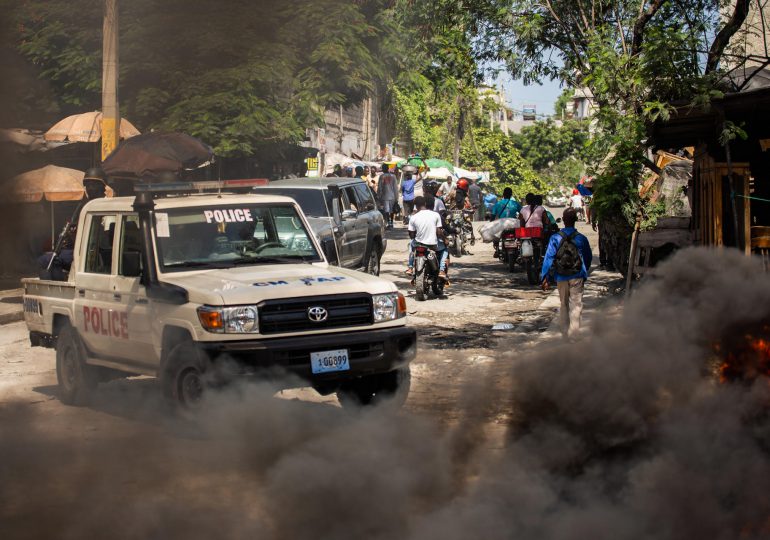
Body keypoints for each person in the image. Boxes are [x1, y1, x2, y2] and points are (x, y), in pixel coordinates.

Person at [540, 208, 593, 339]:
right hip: (577, 275)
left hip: (560, 275)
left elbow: (548, 258)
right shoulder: (581, 238)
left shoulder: (555, 238)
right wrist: (584, 272)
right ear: (576, 220)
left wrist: (545, 276)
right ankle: (574, 335)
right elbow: (588, 258)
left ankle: (564, 332)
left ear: (563, 220)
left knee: (563, 304)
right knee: (576, 304)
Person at [407, 196, 448, 280]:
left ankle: (410, 267)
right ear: (425, 204)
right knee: (445, 250)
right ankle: (442, 270)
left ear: (415, 206)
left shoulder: (413, 217)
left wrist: (415, 236)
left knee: (411, 245)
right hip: (432, 245)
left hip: (418, 244)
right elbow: (438, 232)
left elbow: (411, 234)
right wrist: (445, 240)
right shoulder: (435, 215)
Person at [491, 187, 521, 257]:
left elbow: (493, 216)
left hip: (502, 224)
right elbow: (523, 213)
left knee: (496, 235)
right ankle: (519, 246)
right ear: (511, 195)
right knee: (520, 236)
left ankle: (497, 248)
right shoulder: (515, 204)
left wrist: (491, 223)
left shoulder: (498, 204)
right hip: (513, 224)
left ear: (503, 195)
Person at [377, 163, 398, 229]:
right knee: (391, 211)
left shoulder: (382, 177)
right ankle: (391, 223)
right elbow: (395, 188)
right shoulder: (393, 176)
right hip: (392, 196)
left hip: (385, 196)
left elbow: (379, 187)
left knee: (386, 211)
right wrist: (396, 198)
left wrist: (378, 196)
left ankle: (388, 223)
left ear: (383, 169)